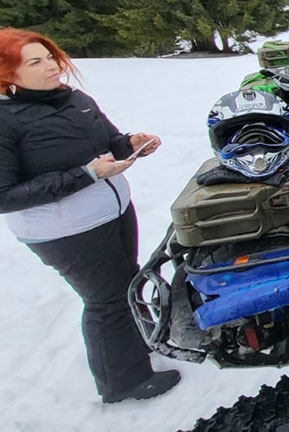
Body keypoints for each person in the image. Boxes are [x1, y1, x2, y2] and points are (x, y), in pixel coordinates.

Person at [0, 28, 178, 403]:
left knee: (128, 281)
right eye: (35, 62)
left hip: (112, 210)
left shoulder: (73, 98)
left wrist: (130, 144)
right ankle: (123, 383)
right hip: (64, 230)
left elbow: (108, 142)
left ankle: (140, 345)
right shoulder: (5, 120)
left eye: (50, 57)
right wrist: (86, 175)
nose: (52, 66)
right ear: (7, 73)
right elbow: (5, 195)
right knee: (106, 299)